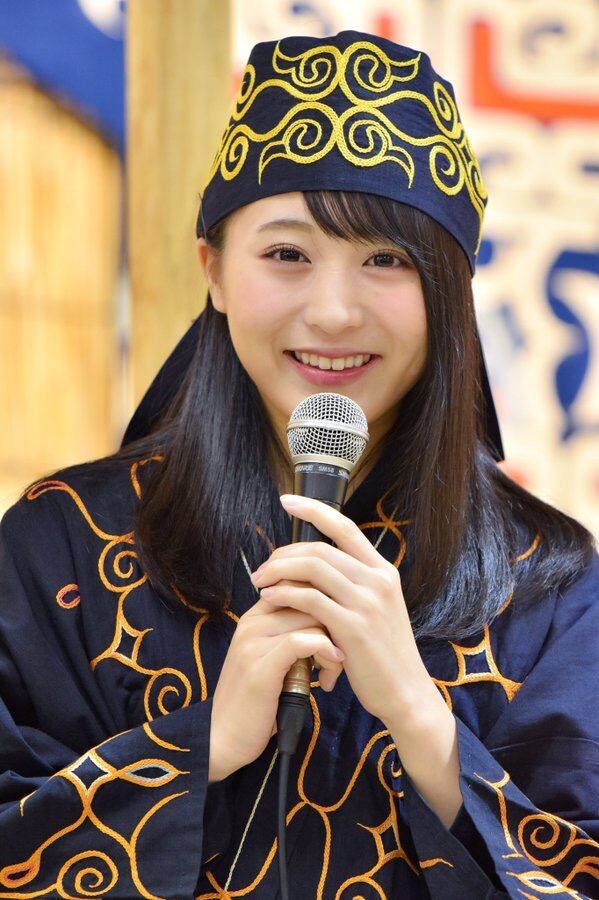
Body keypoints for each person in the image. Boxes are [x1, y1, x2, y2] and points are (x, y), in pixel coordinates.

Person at [0, 28, 597, 900]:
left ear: (450, 292)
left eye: (386, 260)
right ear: (212, 269)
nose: (333, 312)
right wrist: (204, 744)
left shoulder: (550, 587)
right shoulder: (62, 544)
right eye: (286, 254)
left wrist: (421, 724)